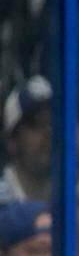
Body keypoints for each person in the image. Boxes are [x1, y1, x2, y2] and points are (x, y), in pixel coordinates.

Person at [0, 75, 52, 206]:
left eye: (54, 122)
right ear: (12, 141)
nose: (49, 133)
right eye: (37, 123)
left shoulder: (76, 195)